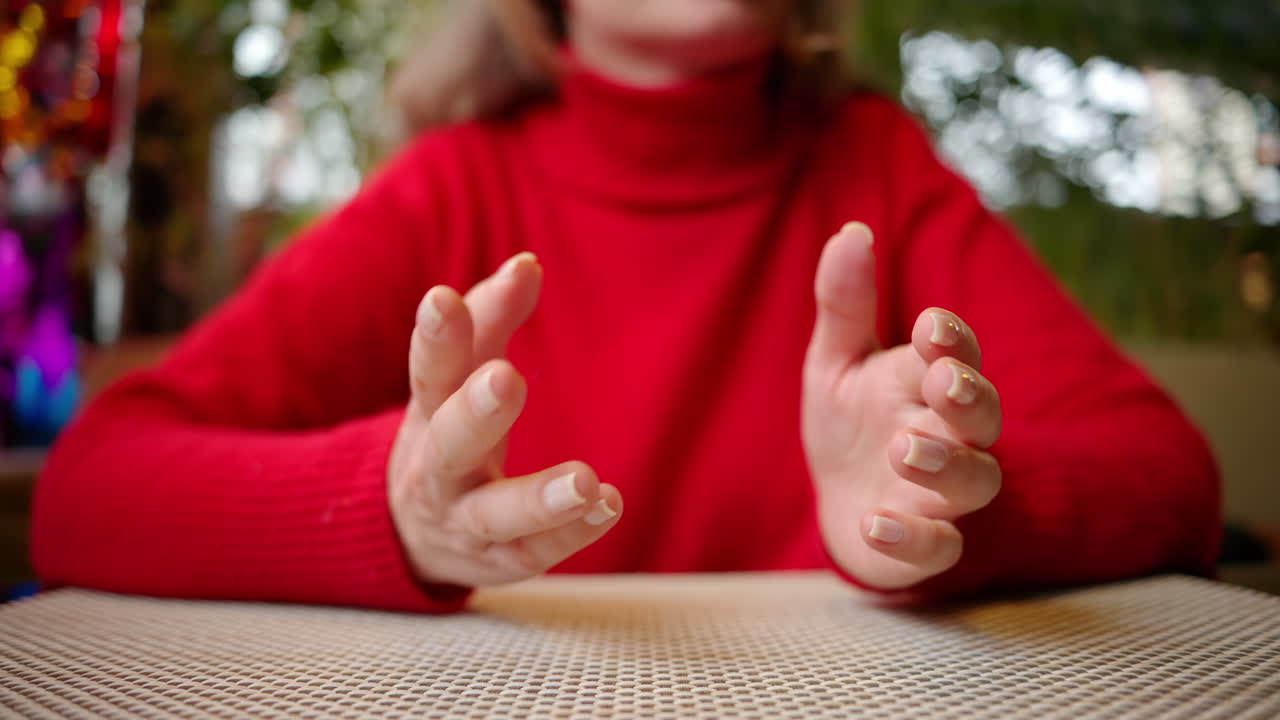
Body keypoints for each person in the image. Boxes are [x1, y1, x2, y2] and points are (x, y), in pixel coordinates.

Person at [31, 0, 1220, 612]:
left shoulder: (873, 164)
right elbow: (90, 485)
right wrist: (387, 514)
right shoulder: (454, 187)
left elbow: (1169, 472)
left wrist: (934, 516)